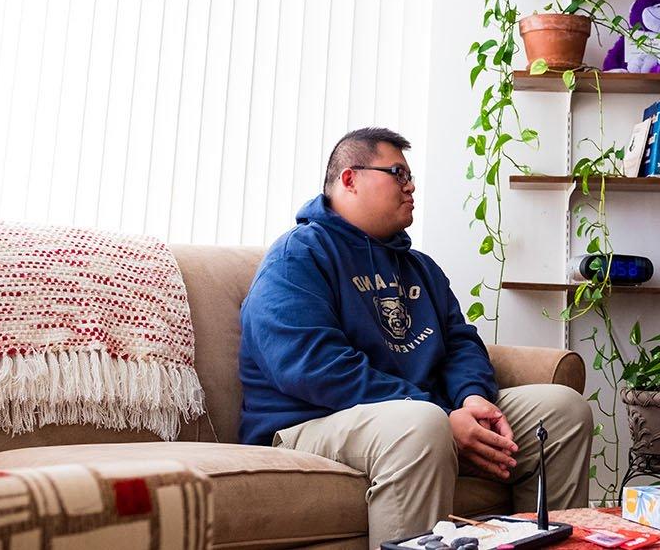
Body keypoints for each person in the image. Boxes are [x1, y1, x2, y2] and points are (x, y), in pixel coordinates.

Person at [238, 128, 593, 547]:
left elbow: (461, 342)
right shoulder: (298, 257)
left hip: (417, 413)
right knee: (422, 425)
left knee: (561, 410)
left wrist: (472, 398)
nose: (411, 186)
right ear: (349, 179)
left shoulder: (419, 267)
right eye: (397, 173)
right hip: (308, 421)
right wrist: (443, 415)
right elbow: (314, 367)